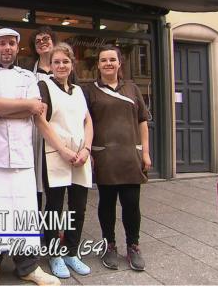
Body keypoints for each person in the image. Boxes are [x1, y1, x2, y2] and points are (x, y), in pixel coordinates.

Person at [0, 28, 71, 286]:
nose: (7, 48)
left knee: (23, 213)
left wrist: (0, 109)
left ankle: (27, 266)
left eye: (12, 44)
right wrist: (20, 106)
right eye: (2, 43)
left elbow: (35, 110)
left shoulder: (28, 77)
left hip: (21, 155)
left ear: (18, 48)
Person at [83, 44, 152, 272]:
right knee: (107, 204)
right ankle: (109, 245)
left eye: (112, 59)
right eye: (103, 60)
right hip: (105, 157)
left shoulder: (131, 89)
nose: (108, 63)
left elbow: (143, 121)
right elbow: (85, 124)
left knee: (132, 204)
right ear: (98, 65)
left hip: (130, 156)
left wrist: (146, 152)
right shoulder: (90, 91)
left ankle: (133, 245)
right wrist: (88, 150)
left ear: (119, 63)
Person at [36, 44, 94, 278]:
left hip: (80, 155)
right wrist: (62, 150)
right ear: (50, 65)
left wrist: (87, 149)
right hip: (55, 154)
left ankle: (71, 251)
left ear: (72, 65)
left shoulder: (79, 91)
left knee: (78, 207)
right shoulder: (44, 86)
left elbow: (88, 121)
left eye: (65, 62)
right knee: (54, 208)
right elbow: (40, 121)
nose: (61, 66)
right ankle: (54, 255)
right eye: (56, 62)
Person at [29, 26, 59, 208]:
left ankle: (52, 230)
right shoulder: (26, 71)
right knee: (36, 180)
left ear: (54, 42)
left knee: (55, 183)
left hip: (59, 130)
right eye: (38, 41)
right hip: (36, 133)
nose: (42, 43)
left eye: (46, 39)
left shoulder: (64, 70)